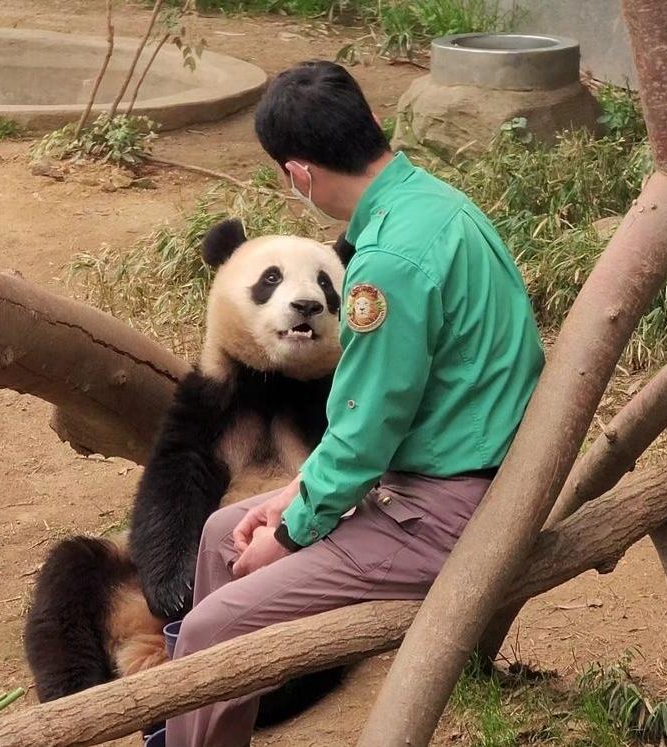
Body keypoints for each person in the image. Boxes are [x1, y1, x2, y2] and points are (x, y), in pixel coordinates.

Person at [164, 59, 545, 747]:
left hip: (443, 514)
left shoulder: (385, 267)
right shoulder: (433, 203)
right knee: (223, 534)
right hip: (439, 476)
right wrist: (297, 493)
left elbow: (367, 430)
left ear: (299, 174)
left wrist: (289, 530)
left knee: (211, 625)